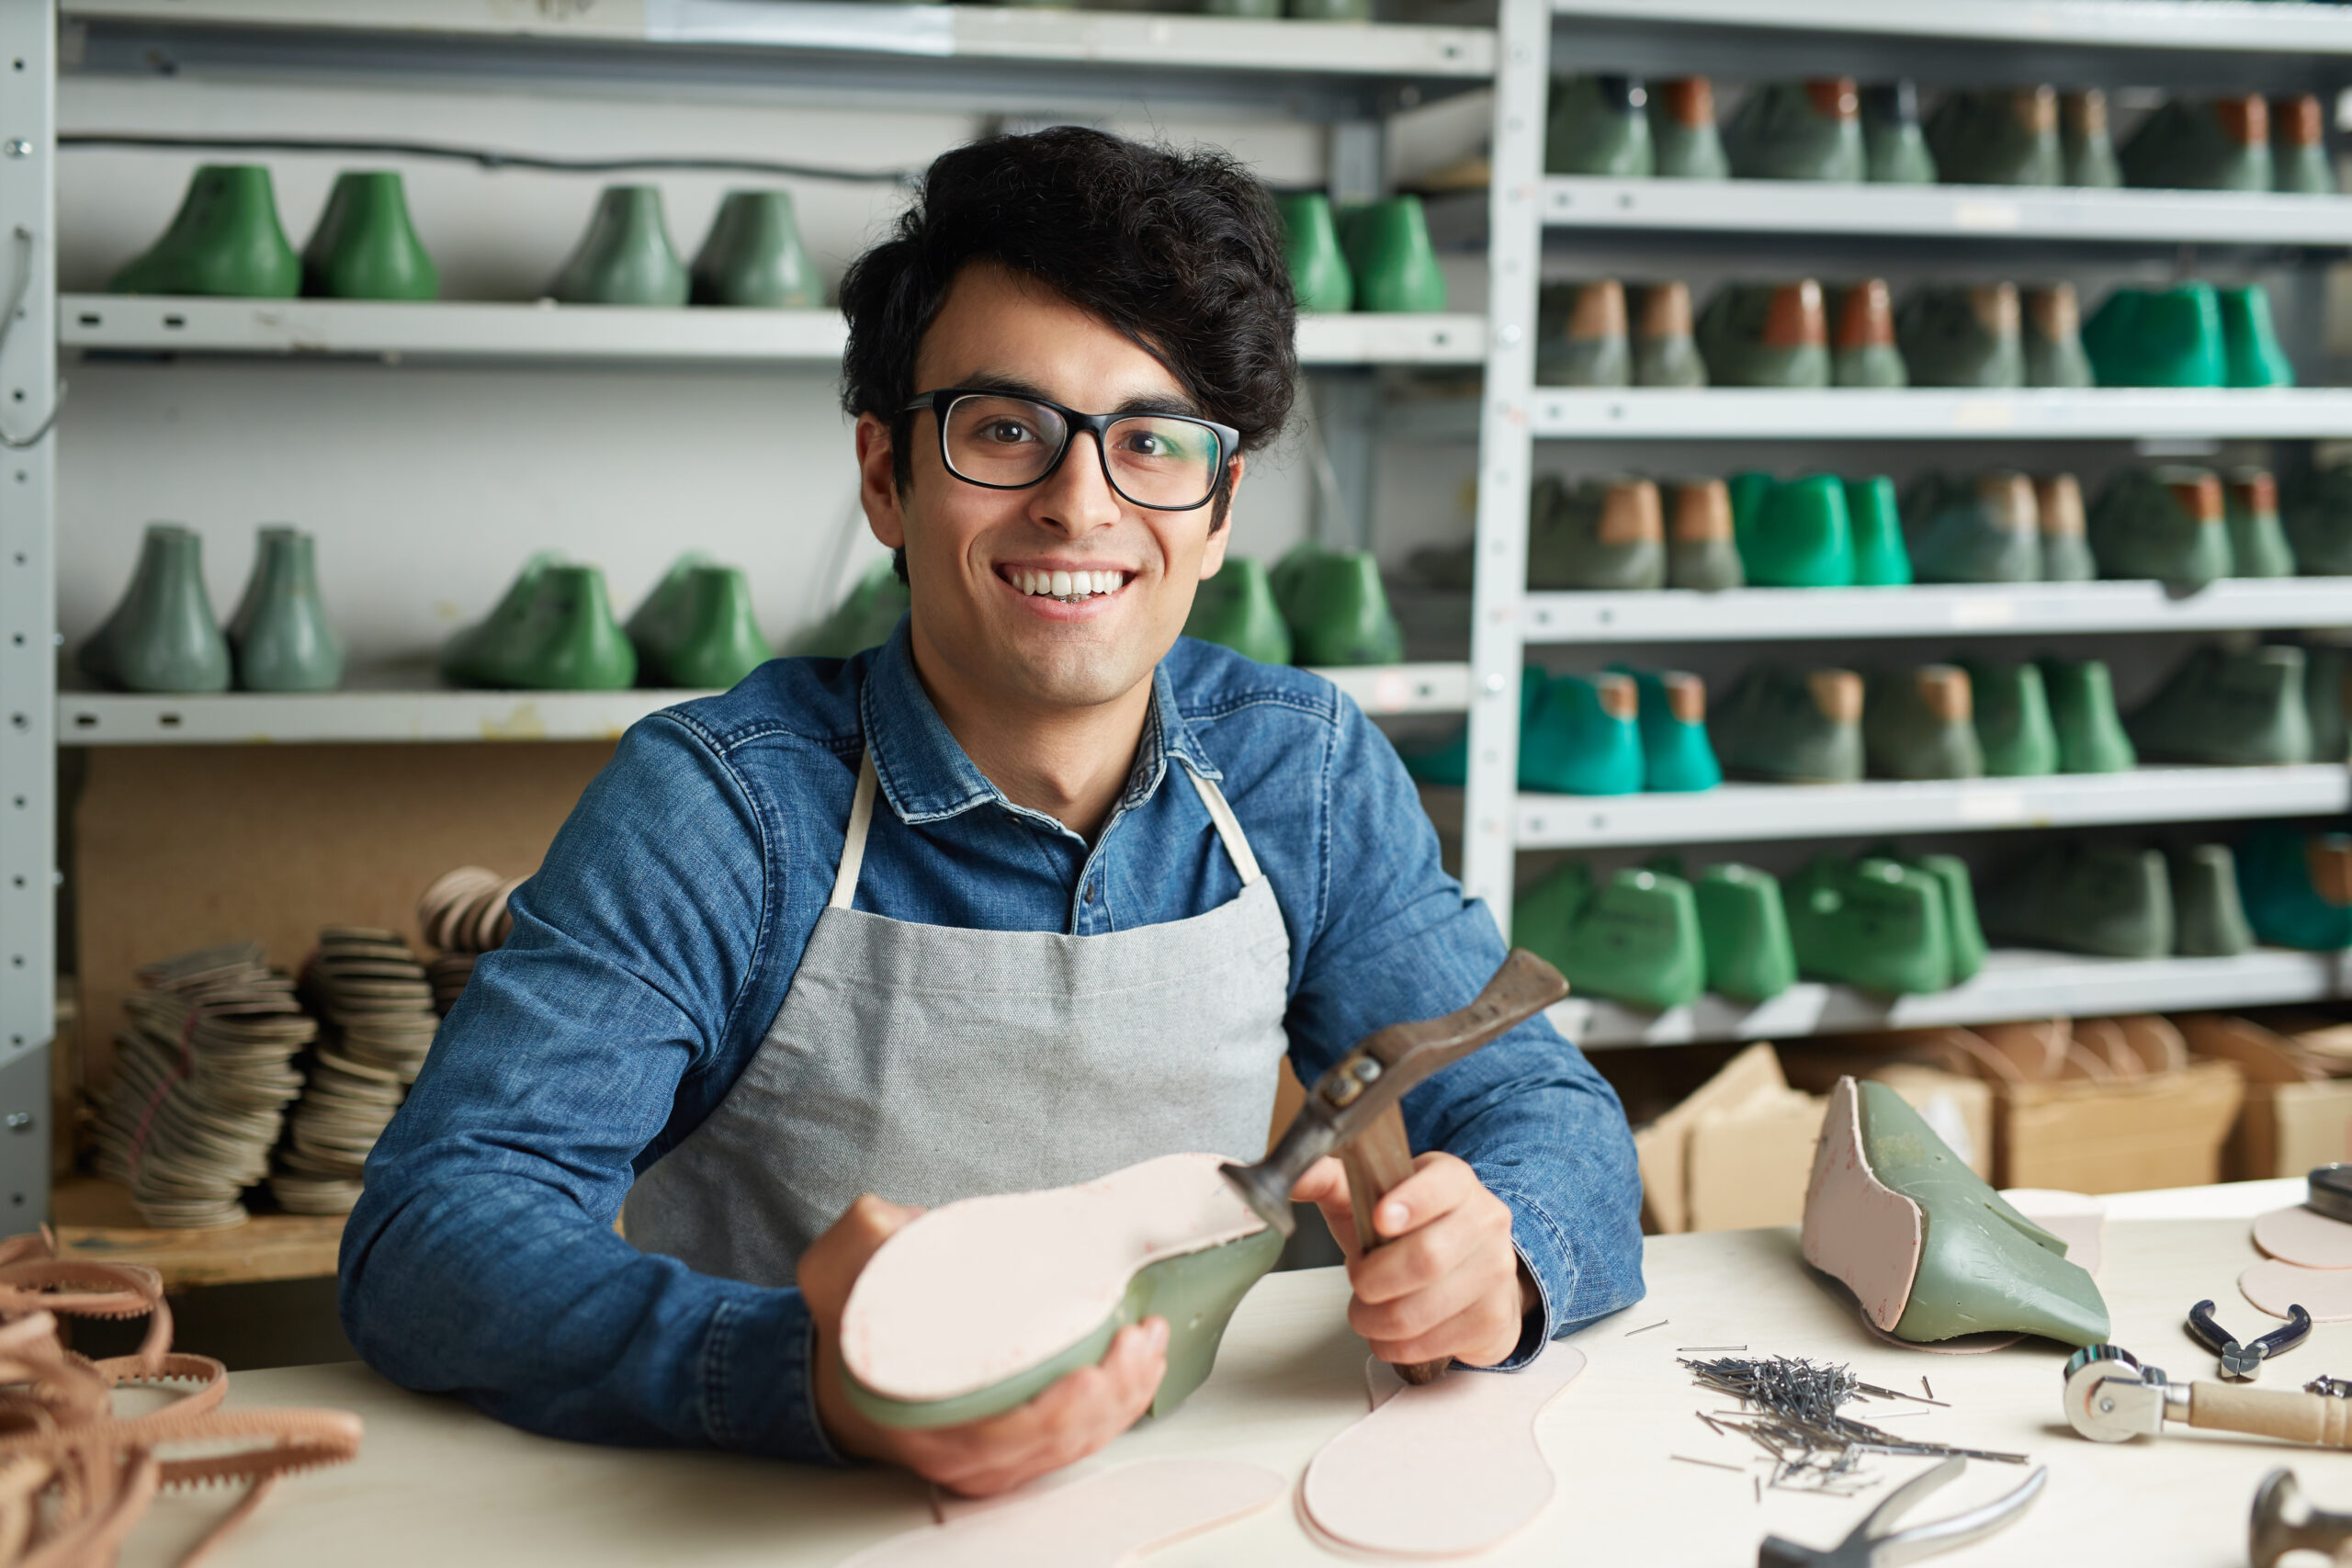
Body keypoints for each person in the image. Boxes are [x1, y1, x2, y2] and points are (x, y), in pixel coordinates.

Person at [341, 127, 1642, 1495]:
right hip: (803, 1510)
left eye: (1153, 443)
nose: (1079, 505)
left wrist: (1502, 1260)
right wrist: (818, 1383)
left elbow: (1541, 1106)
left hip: (1190, 1506)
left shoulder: (1296, 777)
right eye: (1006, 430)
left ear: (1218, 510)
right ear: (886, 476)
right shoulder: (727, 807)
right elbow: (434, 1231)